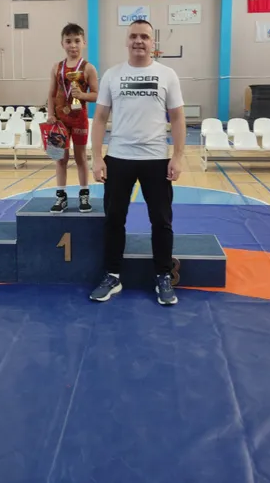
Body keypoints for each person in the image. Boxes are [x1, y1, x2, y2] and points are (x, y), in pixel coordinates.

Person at [90, 20, 186, 306]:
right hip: (119, 158)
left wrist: (178, 156)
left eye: (144, 36)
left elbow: (178, 117)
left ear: (153, 43)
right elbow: (100, 118)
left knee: (161, 221)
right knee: (114, 219)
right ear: (126, 41)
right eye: (133, 36)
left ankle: (163, 275)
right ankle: (112, 275)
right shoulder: (112, 75)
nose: (138, 41)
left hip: (156, 159)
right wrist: (97, 157)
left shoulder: (167, 75)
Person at [47, 23, 99, 214]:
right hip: (59, 121)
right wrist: (50, 114)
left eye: (77, 41)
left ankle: (84, 194)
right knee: (59, 158)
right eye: (68, 41)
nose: (73, 45)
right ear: (62, 43)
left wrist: (82, 95)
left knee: (80, 158)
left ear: (84, 43)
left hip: (79, 119)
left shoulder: (88, 68)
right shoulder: (57, 67)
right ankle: (61, 196)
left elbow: (97, 95)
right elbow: (51, 93)